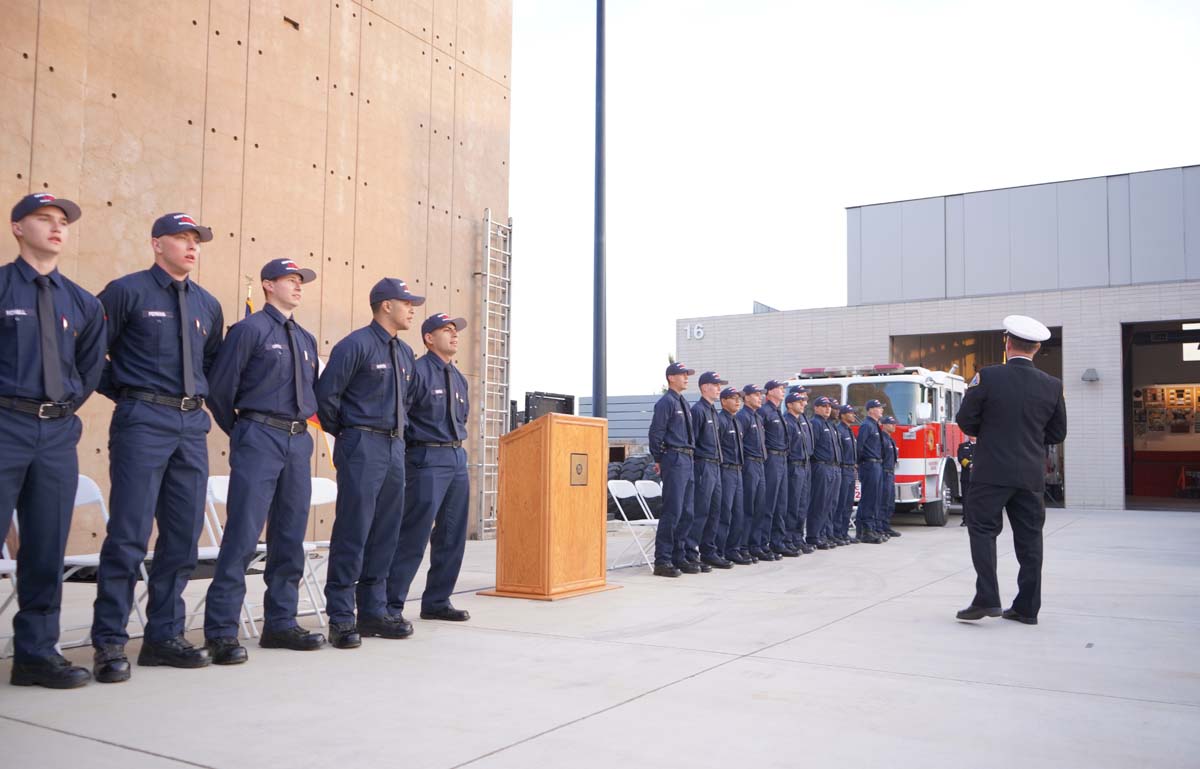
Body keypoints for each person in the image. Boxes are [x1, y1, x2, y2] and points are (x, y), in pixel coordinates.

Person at [91, 212, 224, 683]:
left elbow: (211, 363)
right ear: (156, 244)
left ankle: (163, 637)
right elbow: (90, 352)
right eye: (182, 238)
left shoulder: (208, 304)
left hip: (191, 425)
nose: (192, 246)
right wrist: (128, 393)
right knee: (129, 534)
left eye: (196, 240)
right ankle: (109, 640)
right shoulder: (126, 291)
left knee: (183, 536)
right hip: (143, 420)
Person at [2, 194, 105, 689]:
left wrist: (57, 412)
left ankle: (36, 654)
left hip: (56, 433)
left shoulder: (82, 302)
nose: (56, 227)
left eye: (62, 221)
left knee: (45, 547)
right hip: (4, 426)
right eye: (44, 219)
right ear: (18, 228)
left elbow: (88, 369)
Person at [202, 258, 325, 664]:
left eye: (301, 281)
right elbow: (220, 390)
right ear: (268, 284)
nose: (298, 286)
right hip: (259, 435)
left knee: (289, 536)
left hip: (297, 441)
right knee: (243, 534)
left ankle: (280, 623)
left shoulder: (305, 338)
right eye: (290, 280)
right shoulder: (249, 330)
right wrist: (243, 430)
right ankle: (221, 630)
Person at [315, 278, 422, 646]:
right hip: (361, 443)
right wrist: (350, 433)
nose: (412, 310)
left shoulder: (405, 353)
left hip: (394, 447)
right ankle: (342, 617)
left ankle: (373, 611)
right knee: (354, 528)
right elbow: (326, 398)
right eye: (407, 303)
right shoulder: (355, 345)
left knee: (386, 532)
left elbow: (407, 403)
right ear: (386, 305)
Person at [955, 315, 1067, 626]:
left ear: (1007, 342)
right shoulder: (1052, 385)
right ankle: (1027, 608)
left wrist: (993, 433)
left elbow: (966, 421)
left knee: (982, 530)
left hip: (991, 471)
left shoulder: (988, 377)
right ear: (1037, 348)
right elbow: (1057, 433)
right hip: (1030, 475)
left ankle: (987, 598)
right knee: (1030, 541)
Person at [384, 313, 472, 626]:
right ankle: (390, 605)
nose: (454, 335)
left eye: (455, 330)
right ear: (429, 338)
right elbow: (401, 416)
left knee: (452, 534)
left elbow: (462, 418)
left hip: (456, 457)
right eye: (446, 330)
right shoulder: (417, 372)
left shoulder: (459, 377)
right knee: (414, 534)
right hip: (426, 458)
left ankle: (437, 601)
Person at [647, 362, 696, 577]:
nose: (686, 378)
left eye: (687, 375)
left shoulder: (683, 402)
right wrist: (659, 458)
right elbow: (656, 432)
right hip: (674, 458)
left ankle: (679, 556)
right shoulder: (666, 402)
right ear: (671, 378)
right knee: (673, 510)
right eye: (682, 374)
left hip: (687, 458)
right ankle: (663, 560)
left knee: (687, 511)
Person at [686, 371, 730, 570]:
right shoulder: (698, 411)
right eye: (716, 384)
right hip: (703, 465)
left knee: (714, 511)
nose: (719, 388)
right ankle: (691, 553)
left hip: (715, 465)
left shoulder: (713, 412)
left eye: (720, 385)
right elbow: (692, 441)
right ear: (704, 387)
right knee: (700, 511)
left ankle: (708, 552)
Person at [758, 380, 795, 559]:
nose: (782, 391)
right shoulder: (764, 412)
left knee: (781, 503)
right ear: (770, 392)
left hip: (782, 458)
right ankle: (763, 542)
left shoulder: (778, 412)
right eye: (780, 388)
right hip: (771, 458)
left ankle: (777, 541)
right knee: (769, 503)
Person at [735, 384, 771, 562]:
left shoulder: (757, 416)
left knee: (760, 507)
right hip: (749, 463)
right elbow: (739, 444)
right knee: (747, 508)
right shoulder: (743, 416)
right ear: (746, 397)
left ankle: (755, 545)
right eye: (756, 395)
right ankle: (743, 546)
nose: (760, 397)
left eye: (761, 394)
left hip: (760, 463)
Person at [715, 387, 746, 564]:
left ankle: (733, 549)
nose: (737, 401)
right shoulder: (720, 420)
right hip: (725, 469)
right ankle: (719, 550)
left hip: (738, 470)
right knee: (725, 512)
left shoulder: (737, 421)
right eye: (733, 398)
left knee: (738, 512)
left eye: (739, 398)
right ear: (723, 401)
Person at [806, 396, 840, 550]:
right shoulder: (816, 423)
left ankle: (822, 534)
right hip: (821, 466)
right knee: (819, 503)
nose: (828, 409)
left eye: (829, 406)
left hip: (832, 467)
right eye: (824, 406)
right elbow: (812, 447)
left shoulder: (829, 424)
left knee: (829, 503)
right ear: (816, 408)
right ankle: (813, 536)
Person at [782, 389, 814, 554]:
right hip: (793, 466)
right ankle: (788, 539)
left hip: (805, 464)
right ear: (789, 405)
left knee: (802, 504)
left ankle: (798, 538)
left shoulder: (801, 421)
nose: (803, 404)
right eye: (799, 402)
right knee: (792, 505)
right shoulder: (787, 421)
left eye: (803, 401)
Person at [855, 399, 886, 544]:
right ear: (871, 410)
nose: (882, 410)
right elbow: (860, 446)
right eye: (879, 407)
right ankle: (865, 531)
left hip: (877, 464)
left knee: (875, 498)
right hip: (869, 464)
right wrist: (861, 463)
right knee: (869, 498)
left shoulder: (875, 425)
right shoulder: (866, 425)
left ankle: (871, 528)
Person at [834, 404, 859, 544]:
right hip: (843, 469)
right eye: (850, 412)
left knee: (848, 503)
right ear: (843, 415)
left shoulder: (849, 431)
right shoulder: (840, 430)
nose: (853, 415)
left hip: (851, 470)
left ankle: (844, 532)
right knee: (841, 502)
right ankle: (837, 533)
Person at [879, 416, 901, 538]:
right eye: (891, 424)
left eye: (894, 423)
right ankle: (880, 527)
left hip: (891, 472)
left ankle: (886, 526)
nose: (894, 426)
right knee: (883, 501)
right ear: (884, 425)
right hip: (884, 472)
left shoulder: (891, 439)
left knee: (890, 502)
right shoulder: (882, 439)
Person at [956, 436, 976, 527]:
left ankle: (976, 521)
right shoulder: (962, 446)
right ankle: (966, 520)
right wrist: (969, 465)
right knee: (966, 499)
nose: (972, 436)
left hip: (979, 477)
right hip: (966, 477)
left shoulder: (983, 446)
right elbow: (960, 458)